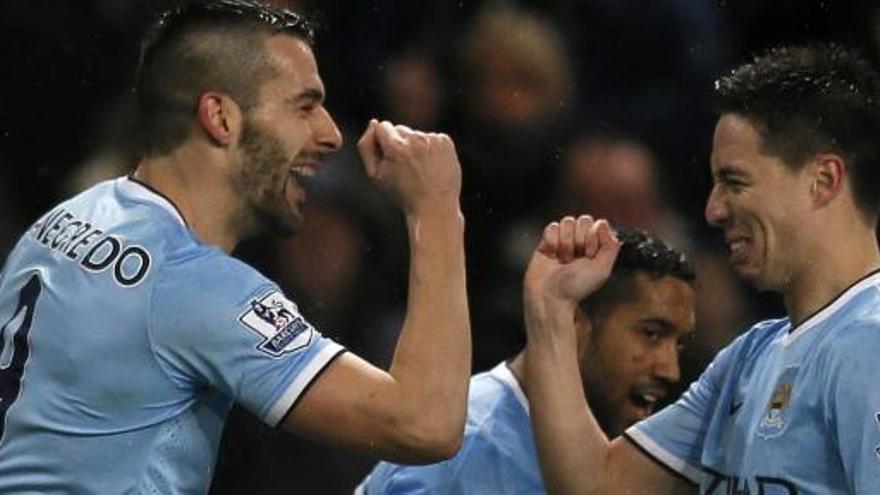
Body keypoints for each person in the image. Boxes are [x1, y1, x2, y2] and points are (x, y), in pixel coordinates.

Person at [0, 1, 471, 492]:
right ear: (221, 117)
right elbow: (424, 425)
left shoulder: (65, 220)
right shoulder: (197, 286)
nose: (331, 134)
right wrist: (436, 211)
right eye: (304, 106)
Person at [522, 44, 880, 494]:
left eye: (734, 182)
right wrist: (551, 312)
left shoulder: (871, 343)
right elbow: (598, 486)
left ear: (823, 181)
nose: (713, 210)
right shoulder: (749, 357)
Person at [358, 224, 696, 494]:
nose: (670, 370)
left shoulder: (615, 461)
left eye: (678, 345)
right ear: (572, 322)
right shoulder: (473, 446)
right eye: (651, 334)